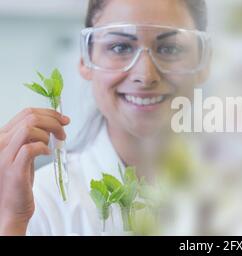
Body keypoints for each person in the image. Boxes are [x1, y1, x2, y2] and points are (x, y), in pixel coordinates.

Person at [0, 0, 210, 235]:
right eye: (120, 47)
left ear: (204, 63)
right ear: (85, 59)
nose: (145, 75)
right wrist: (12, 222)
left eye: (170, 48)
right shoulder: (38, 203)